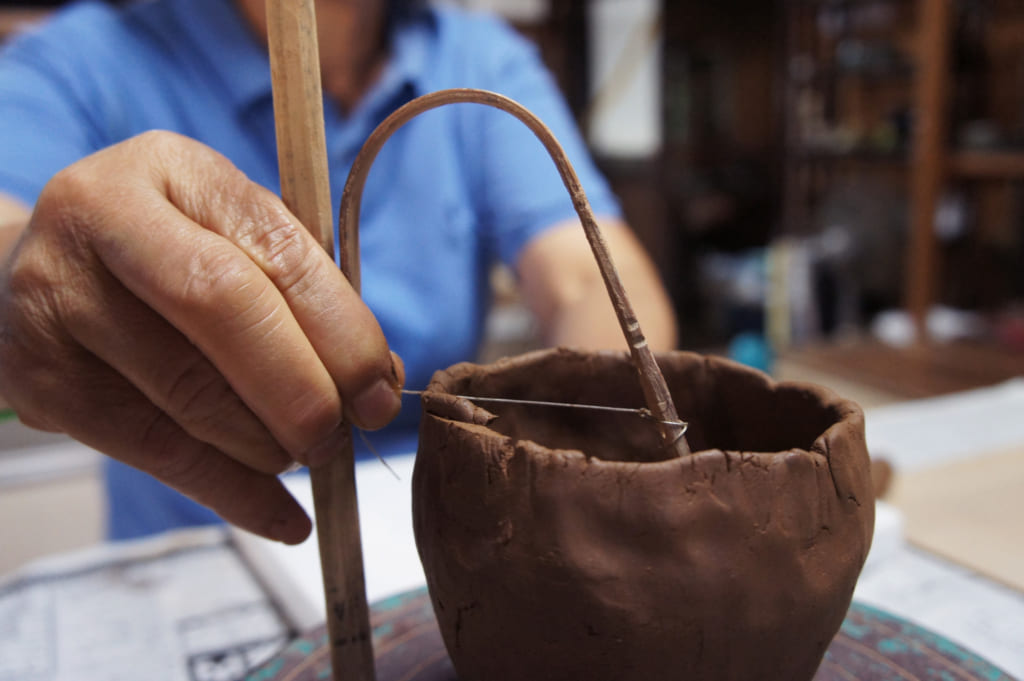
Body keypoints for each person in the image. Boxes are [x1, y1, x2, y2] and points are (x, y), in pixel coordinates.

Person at [0, 0, 677, 545]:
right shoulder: (82, 60)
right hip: (197, 558)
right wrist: (29, 276)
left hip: (430, 540)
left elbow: (590, 283)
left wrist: (577, 474)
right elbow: (15, 243)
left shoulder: (477, 59)